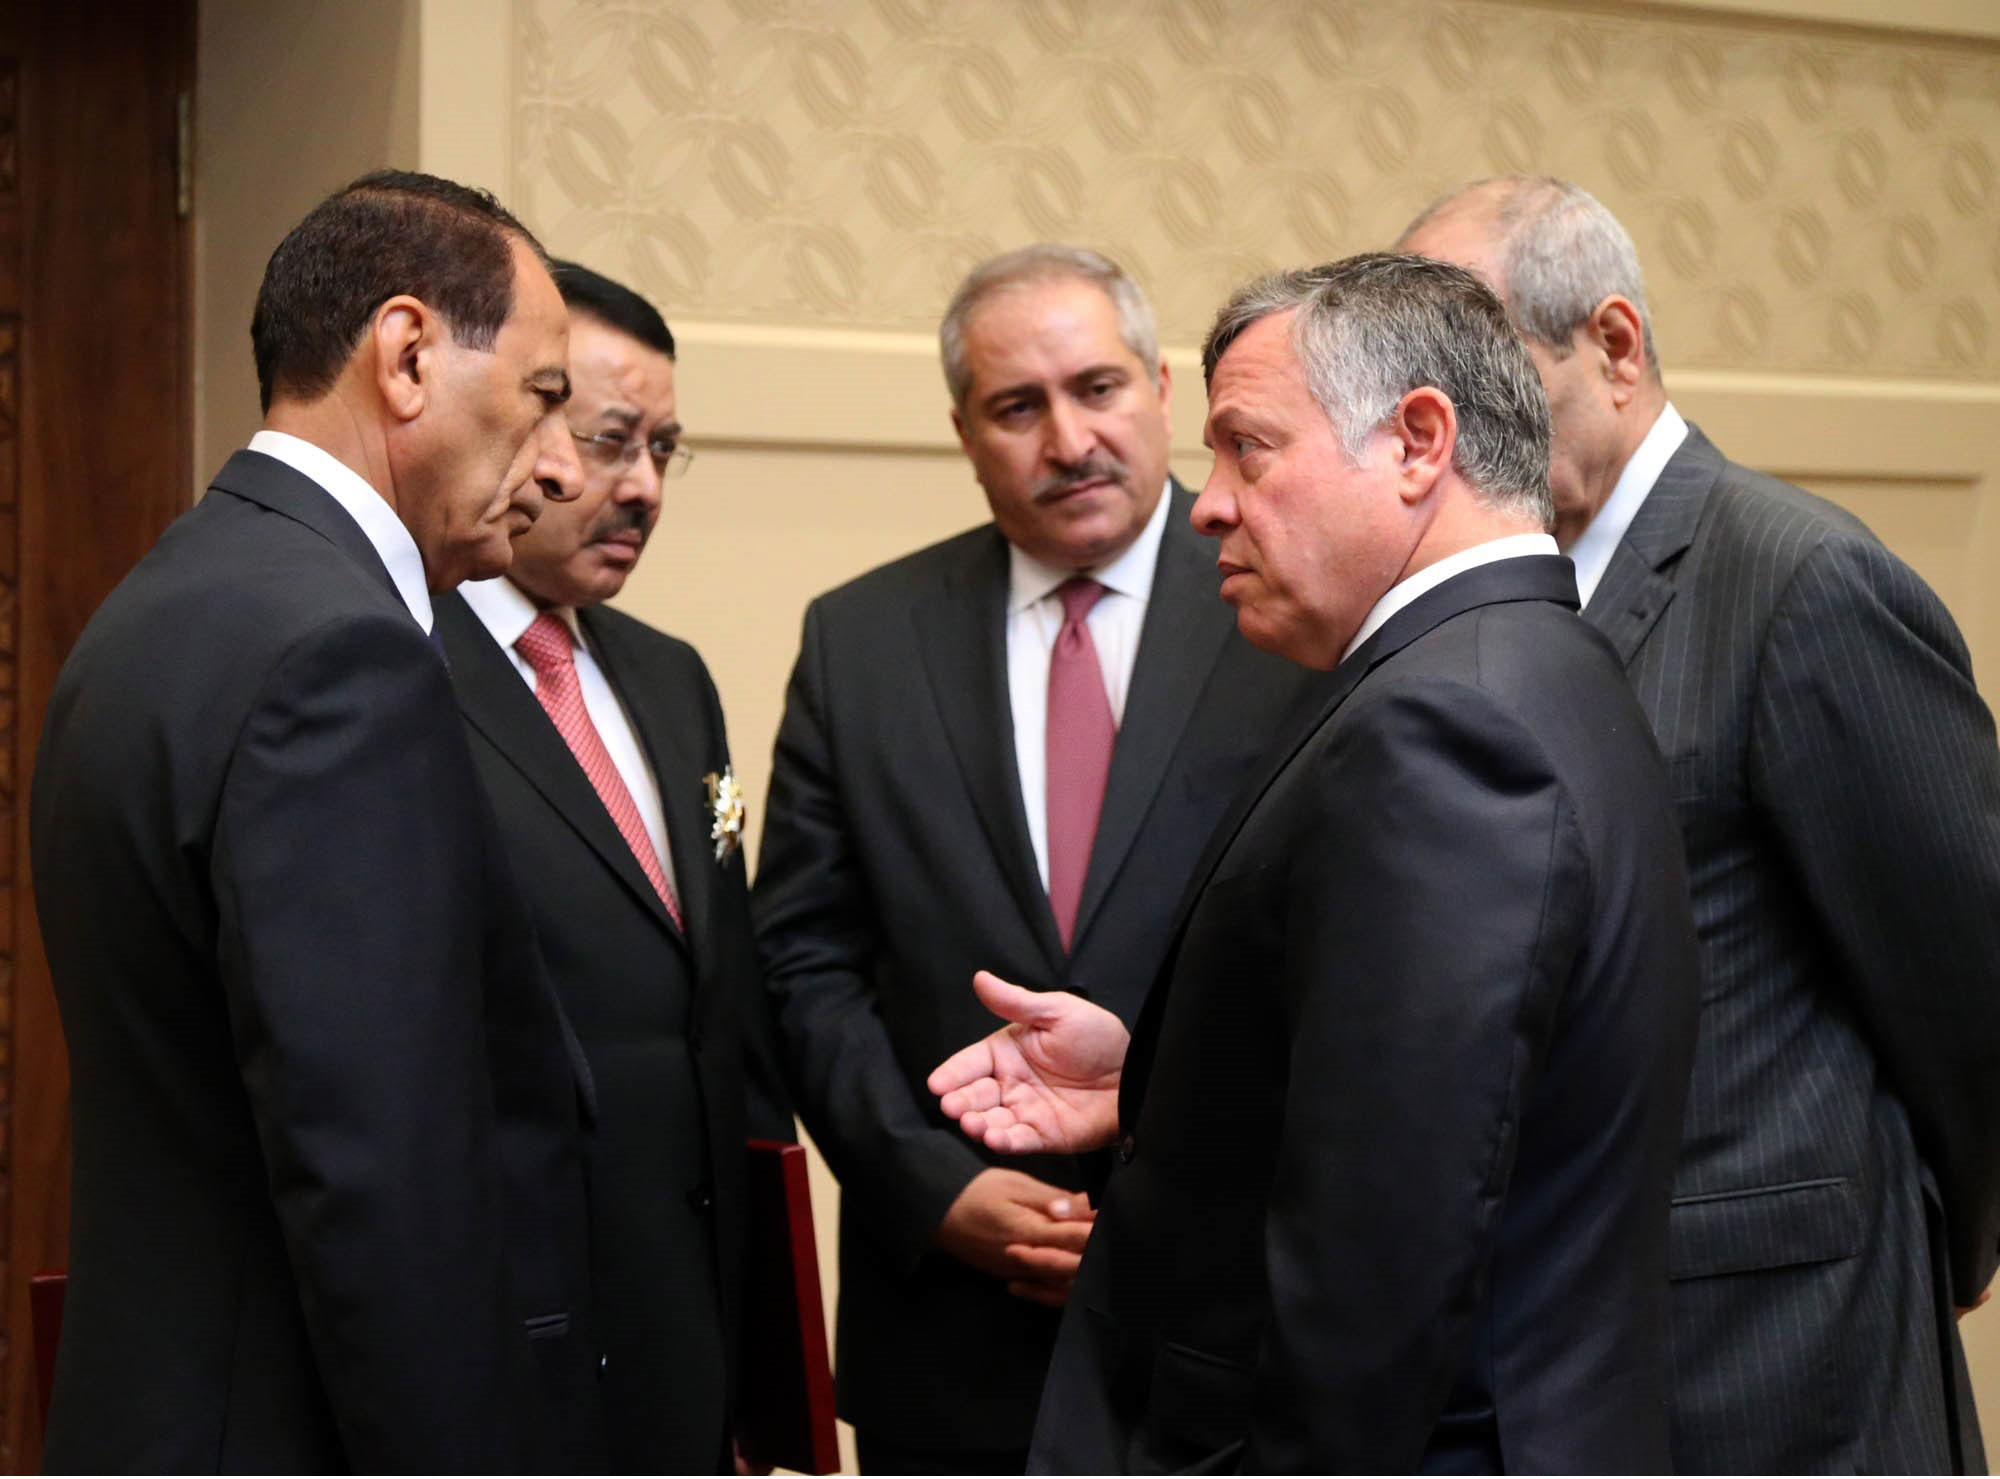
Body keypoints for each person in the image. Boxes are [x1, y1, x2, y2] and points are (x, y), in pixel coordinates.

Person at [931, 253, 1702, 1472]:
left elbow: (1383, 1262)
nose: (1207, 503)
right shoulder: (1528, 662)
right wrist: (1164, 1082)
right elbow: (1441, 1094)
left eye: (1247, 448)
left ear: (1415, 441)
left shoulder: (1445, 726)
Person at [1398, 176, 2000, 1474]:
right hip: (1555, 1361)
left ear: (1612, 344)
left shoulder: (1799, 577)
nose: (1458, 429)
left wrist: (1919, 1240)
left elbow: (1969, 978)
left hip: (1783, 1353)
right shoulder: (1500, 600)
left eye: (1488, 368)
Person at [29, 171, 603, 1472]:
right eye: (544, 396)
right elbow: (382, 1181)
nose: (559, 462)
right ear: (406, 356)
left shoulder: (165, 601)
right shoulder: (340, 654)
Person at [752, 244, 1323, 1473]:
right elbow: (801, 962)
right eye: (1018, 407)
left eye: (1097, 389)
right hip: (949, 1338)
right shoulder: (859, 641)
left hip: (1222, 1323)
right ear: (964, 431)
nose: (1068, 440)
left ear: (1164, 392)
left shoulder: (1295, 613)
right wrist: (925, 1188)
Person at [434, 260, 792, 1473]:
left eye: (662, 449)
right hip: (504, 1351)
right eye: (606, 441)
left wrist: (751, 1385)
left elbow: (725, 1014)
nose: (639, 487)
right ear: (524, 427)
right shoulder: (393, 675)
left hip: (684, 1350)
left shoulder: (669, 679)